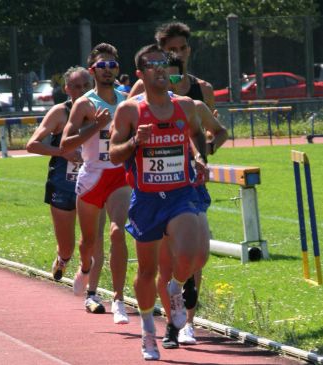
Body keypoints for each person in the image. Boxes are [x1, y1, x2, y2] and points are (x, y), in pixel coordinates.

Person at [109, 44, 209, 361]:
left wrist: (198, 158)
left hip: (181, 192)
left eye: (163, 63)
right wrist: (136, 140)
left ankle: (177, 288)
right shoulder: (129, 111)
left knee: (192, 254)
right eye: (152, 65)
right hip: (147, 198)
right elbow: (114, 154)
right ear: (140, 74)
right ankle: (148, 332)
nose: (160, 69)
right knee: (147, 270)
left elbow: (196, 135)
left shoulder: (186, 106)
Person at [158, 53, 228, 349]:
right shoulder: (142, 107)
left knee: (197, 256)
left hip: (191, 187)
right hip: (158, 191)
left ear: (183, 79)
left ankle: (189, 322)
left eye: (175, 78)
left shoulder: (194, 107)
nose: (169, 84)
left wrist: (204, 151)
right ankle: (170, 323)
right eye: (163, 77)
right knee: (166, 258)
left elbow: (220, 131)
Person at [60, 43, 131, 324]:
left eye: (112, 65)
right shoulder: (84, 104)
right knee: (89, 241)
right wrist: (95, 126)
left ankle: (118, 299)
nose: (108, 70)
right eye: (102, 66)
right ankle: (85, 268)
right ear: (93, 71)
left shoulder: (126, 100)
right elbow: (66, 143)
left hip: (118, 174)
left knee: (117, 233)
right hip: (91, 176)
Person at [26, 67, 108, 305]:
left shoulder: (101, 111)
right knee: (68, 246)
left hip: (92, 184)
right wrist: (63, 153)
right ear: (67, 89)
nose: (82, 91)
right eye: (76, 86)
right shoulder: (60, 113)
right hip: (63, 184)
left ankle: (91, 291)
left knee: (93, 239)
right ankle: (63, 259)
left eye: (86, 85)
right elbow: (32, 144)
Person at [129, 21, 215, 112]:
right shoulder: (144, 84)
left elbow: (213, 124)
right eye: (172, 50)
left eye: (183, 48)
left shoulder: (205, 89)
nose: (179, 54)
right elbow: (123, 119)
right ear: (161, 53)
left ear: (189, 50)